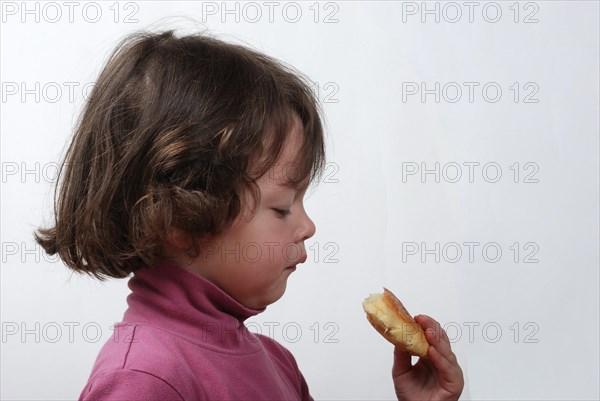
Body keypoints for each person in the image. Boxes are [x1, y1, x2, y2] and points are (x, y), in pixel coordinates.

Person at [35, 29, 463, 401]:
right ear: (181, 219)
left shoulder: (277, 363)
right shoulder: (144, 380)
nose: (308, 227)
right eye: (281, 207)